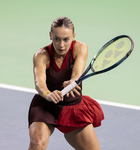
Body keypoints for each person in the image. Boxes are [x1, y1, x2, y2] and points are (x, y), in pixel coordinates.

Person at [28, 17, 104, 150]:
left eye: (66, 39)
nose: (61, 45)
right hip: (46, 106)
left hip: (72, 108)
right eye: (57, 39)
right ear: (50, 36)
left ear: (73, 36)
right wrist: (48, 94)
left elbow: (77, 74)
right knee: (37, 143)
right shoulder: (41, 55)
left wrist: (72, 82)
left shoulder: (80, 48)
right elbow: (39, 82)